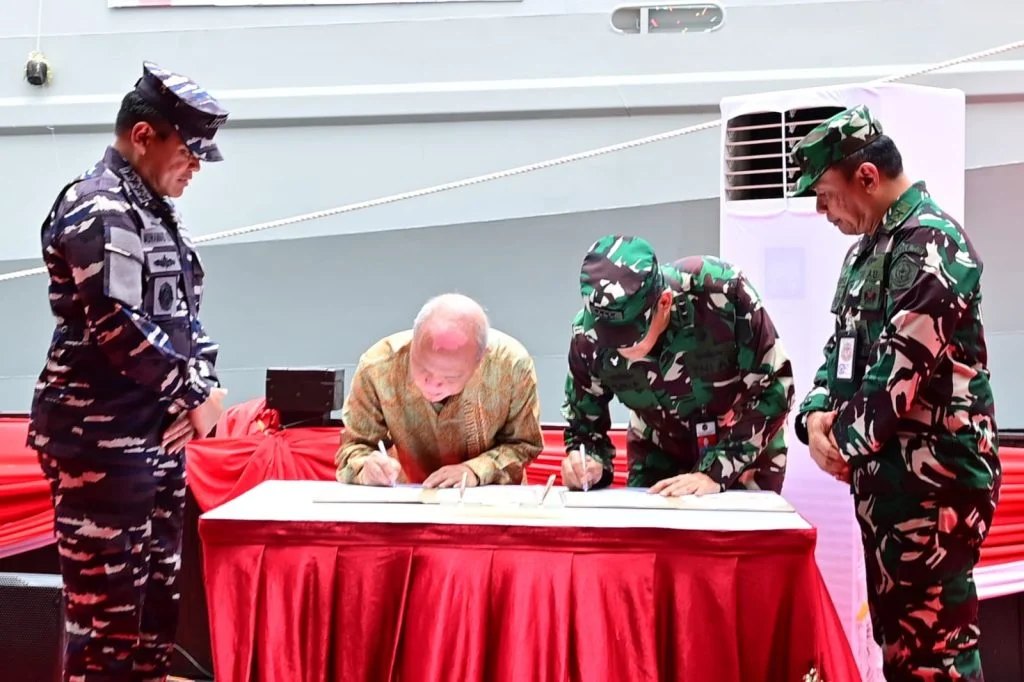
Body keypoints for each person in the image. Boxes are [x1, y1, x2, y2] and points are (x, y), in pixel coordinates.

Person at [26, 61, 230, 682]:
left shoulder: (156, 211)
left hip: (153, 438)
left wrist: (205, 385)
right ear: (144, 135)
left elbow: (182, 315)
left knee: (152, 619)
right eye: (189, 151)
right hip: (100, 445)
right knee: (106, 628)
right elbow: (116, 325)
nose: (195, 166)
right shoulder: (99, 207)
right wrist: (195, 393)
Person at [790, 104, 1000, 681]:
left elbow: (894, 382)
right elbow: (838, 359)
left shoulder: (933, 247)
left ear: (866, 176)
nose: (821, 210)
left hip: (935, 492)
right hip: (888, 486)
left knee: (937, 656)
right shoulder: (865, 253)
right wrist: (811, 421)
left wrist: (841, 442)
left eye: (826, 194)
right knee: (900, 649)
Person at [560, 234, 795, 496]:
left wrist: (714, 471)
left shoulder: (720, 290)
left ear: (664, 303)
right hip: (659, 447)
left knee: (743, 534)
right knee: (652, 534)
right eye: (607, 337)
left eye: (627, 338)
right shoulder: (587, 337)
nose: (617, 348)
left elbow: (776, 387)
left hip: (741, 444)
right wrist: (587, 463)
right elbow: (584, 426)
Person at [336, 293, 544, 488]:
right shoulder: (378, 367)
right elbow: (353, 448)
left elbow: (524, 444)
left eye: (450, 377)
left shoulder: (511, 366)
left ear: (480, 360)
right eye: (423, 369)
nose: (433, 384)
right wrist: (365, 469)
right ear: (413, 342)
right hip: (409, 497)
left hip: (491, 504)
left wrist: (476, 470)